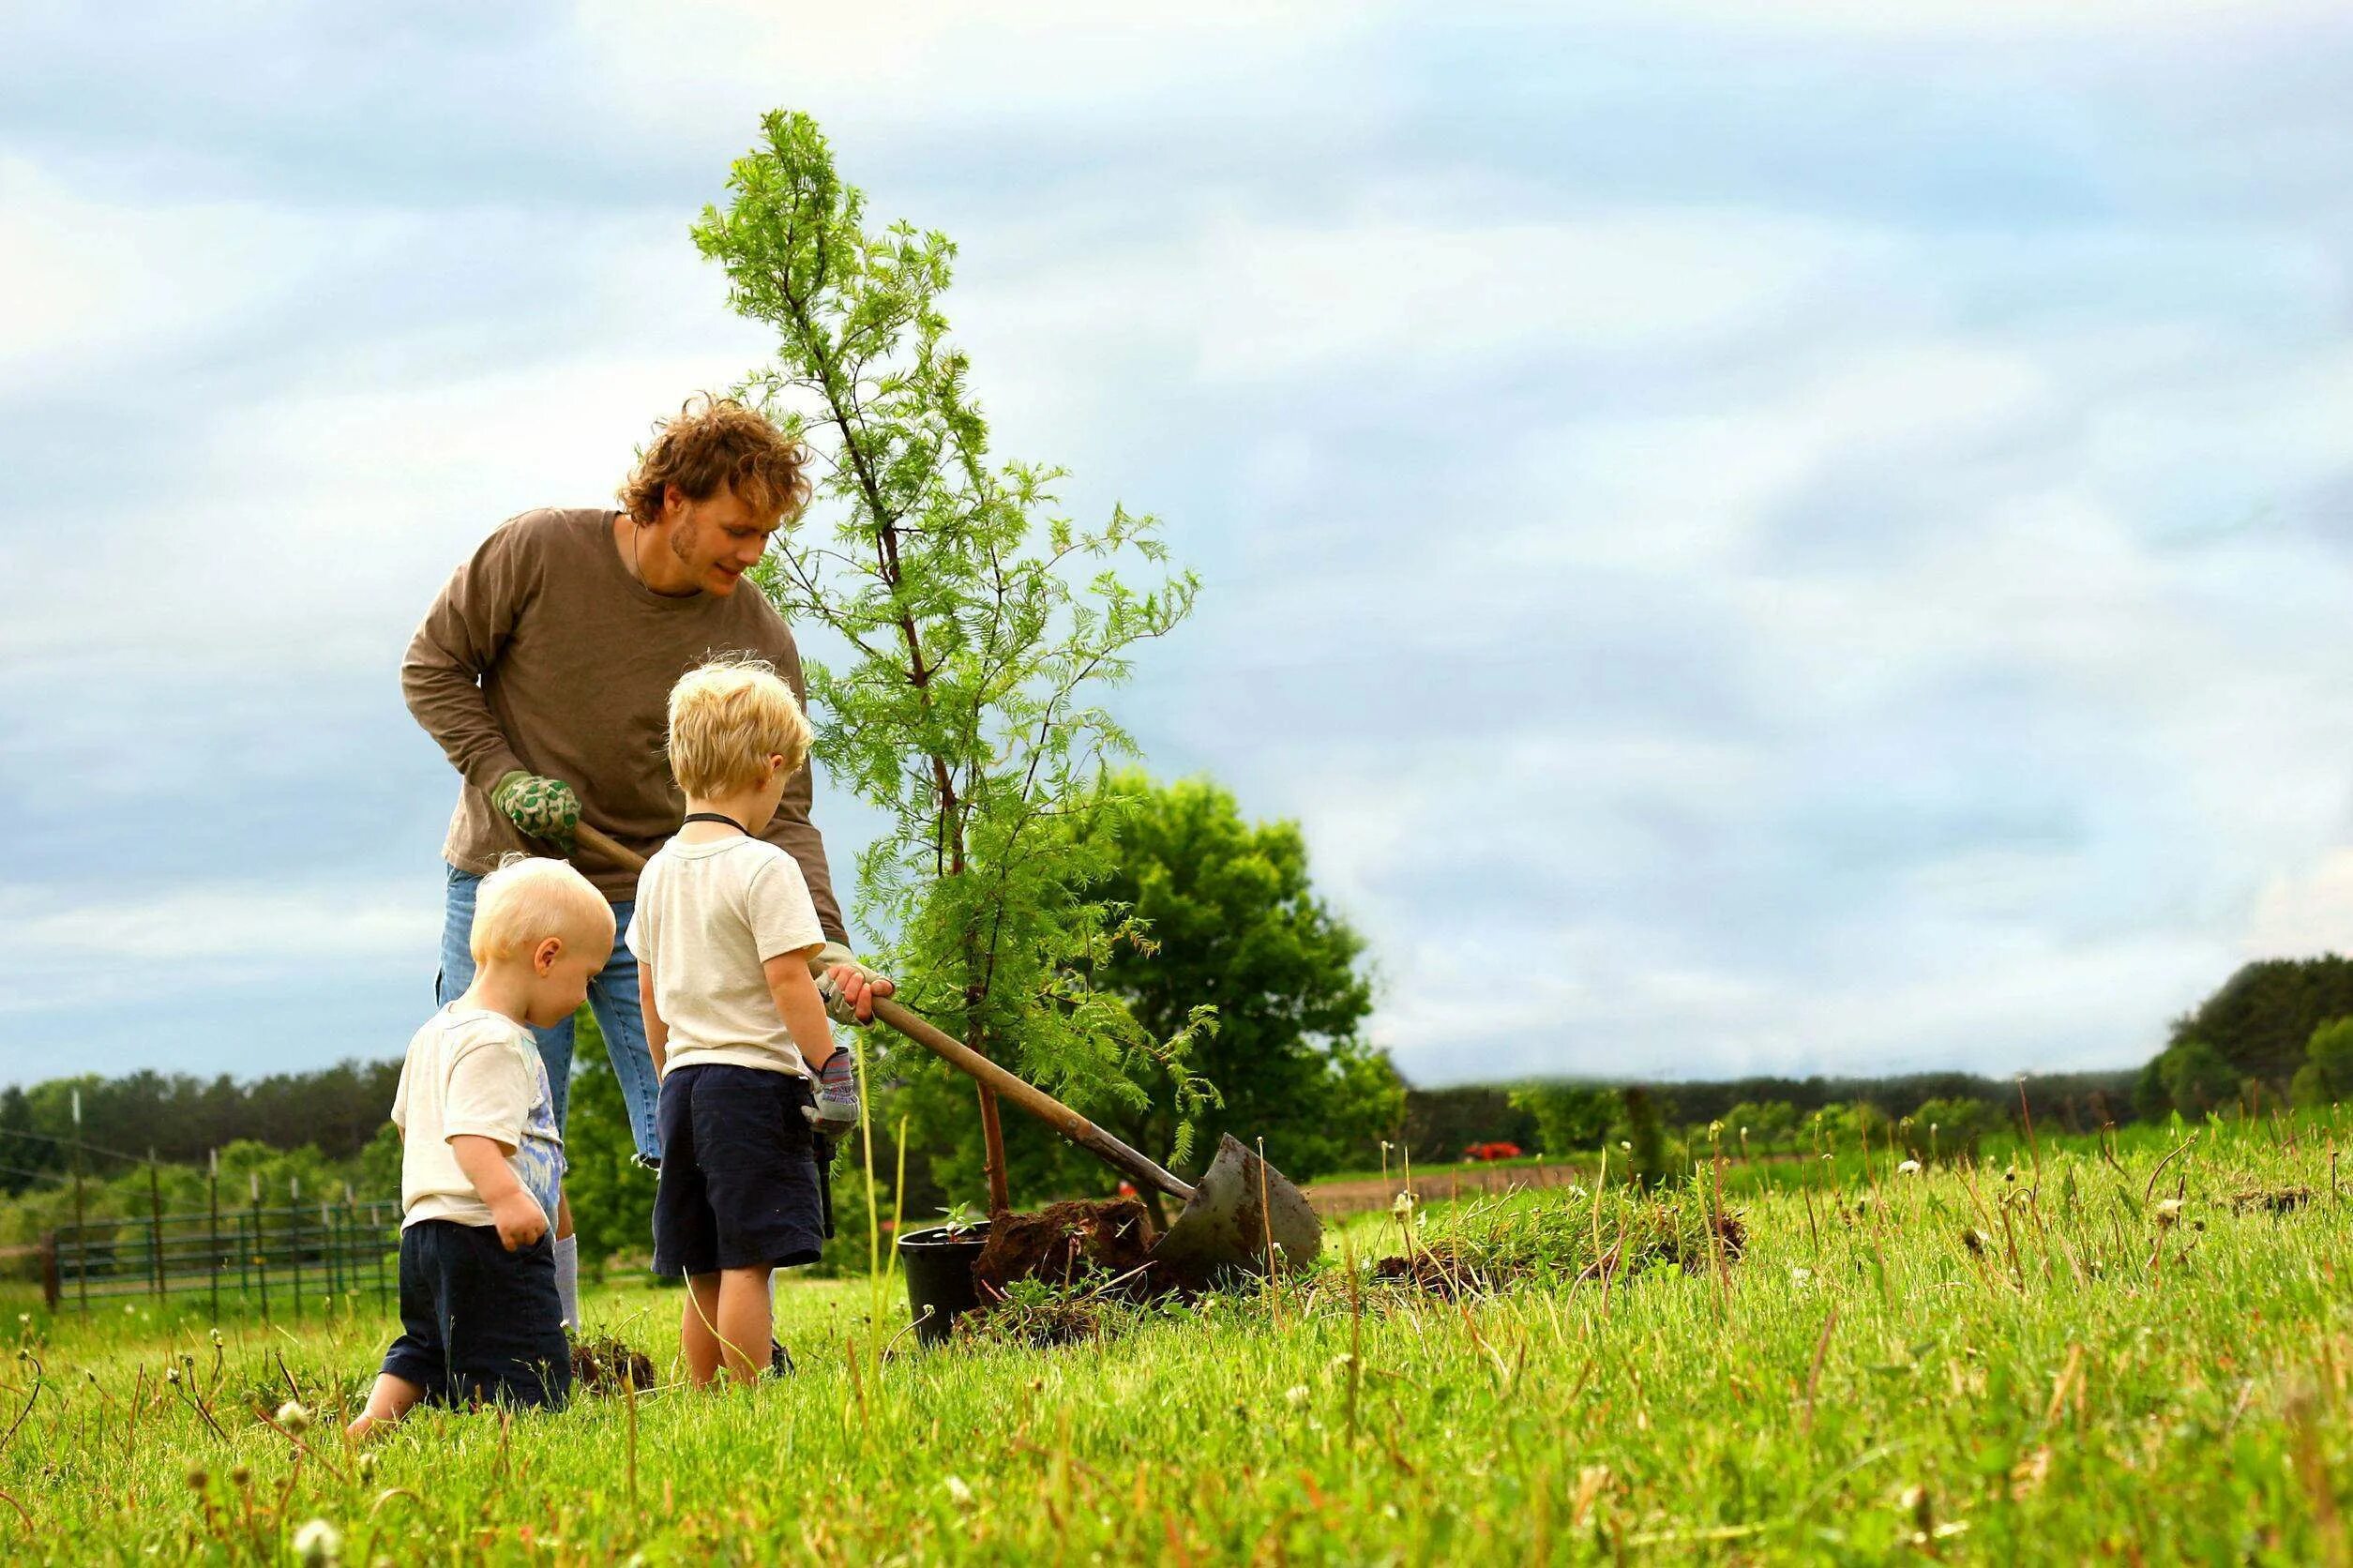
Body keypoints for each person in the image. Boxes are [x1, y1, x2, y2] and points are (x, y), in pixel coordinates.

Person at [400, 395, 894, 1327]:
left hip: (659, 898)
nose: (752, 555)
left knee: (705, 1116)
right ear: (670, 498)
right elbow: (431, 666)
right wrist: (504, 779)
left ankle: (739, 1343)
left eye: (766, 537)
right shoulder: (538, 551)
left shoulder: (753, 634)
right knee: (499, 1121)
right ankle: (540, 1342)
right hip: (512, 886)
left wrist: (820, 948)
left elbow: (784, 812)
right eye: (739, 529)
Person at [630, 657, 852, 1384]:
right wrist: (830, 1066)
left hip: (685, 1087)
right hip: (753, 1087)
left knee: (702, 1262)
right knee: (748, 1260)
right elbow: (789, 980)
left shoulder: (657, 870)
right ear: (772, 766)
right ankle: (751, 1396)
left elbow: (649, 988)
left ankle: (702, 1395)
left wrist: (666, 1077)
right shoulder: (765, 867)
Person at [348, 857, 614, 1439]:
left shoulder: (435, 1032)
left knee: (426, 1343)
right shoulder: (498, 1041)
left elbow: (407, 1125)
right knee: (527, 1354)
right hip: (487, 1233)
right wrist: (507, 1199)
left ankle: (373, 1421)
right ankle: (515, 1437)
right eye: (586, 977)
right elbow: (471, 1136)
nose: (583, 995)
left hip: (425, 1232)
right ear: (546, 957)